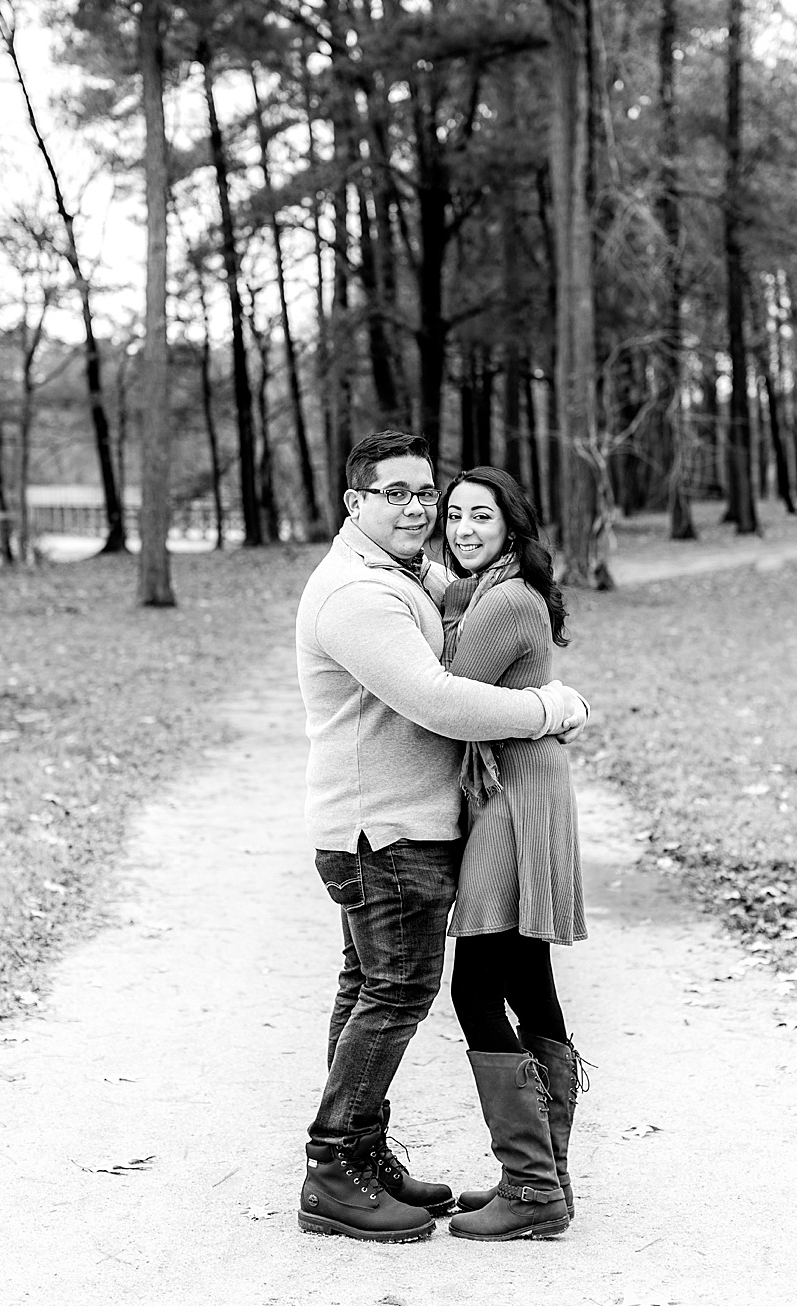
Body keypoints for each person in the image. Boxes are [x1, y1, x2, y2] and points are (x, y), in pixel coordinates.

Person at [293, 429, 591, 1244]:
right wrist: (549, 707)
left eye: (429, 495)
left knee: (371, 990)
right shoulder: (359, 592)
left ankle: (365, 1158)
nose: (422, 511)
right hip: (383, 829)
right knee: (393, 993)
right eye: (400, 494)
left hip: (406, 824)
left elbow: (460, 588)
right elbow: (441, 699)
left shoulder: (405, 575)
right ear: (356, 502)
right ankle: (336, 1168)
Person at [434, 467, 589, 1242]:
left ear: (510, 526)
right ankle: (544, 1178)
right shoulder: (490, 592)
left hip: (514, 799)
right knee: (528, 977)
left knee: (474, 989)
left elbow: (447, 700)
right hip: (527, 782)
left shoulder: (500, 602)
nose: (464, 529)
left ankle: (532, 1189)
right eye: (454, 515)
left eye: (481, 516)